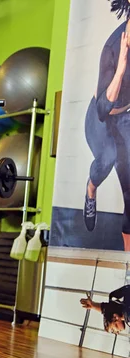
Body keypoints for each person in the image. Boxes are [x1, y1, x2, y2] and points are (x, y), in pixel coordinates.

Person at [84, 0, 130, 249]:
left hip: (124, 118)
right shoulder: (113, 47)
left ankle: (127, 269)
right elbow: (102, 109)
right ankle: (91, 189)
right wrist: (121, 69)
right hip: (100, 117)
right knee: (108, 156)